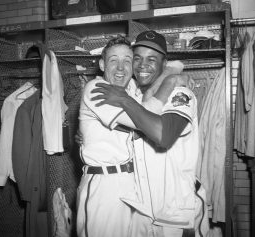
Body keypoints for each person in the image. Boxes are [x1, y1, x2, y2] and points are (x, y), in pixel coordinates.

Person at [91, 30, 209, 237]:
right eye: (137, 58)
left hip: (176, 212)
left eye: (152, 59)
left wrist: (125, 100)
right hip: (143, 211)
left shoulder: (180, 94)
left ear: (164, 65)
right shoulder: (136, 95)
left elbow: (163, 136)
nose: (143, 65)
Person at [76, 35, 138, 237]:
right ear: (102, 64)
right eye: (113, 60)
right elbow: (145, 123)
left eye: (127, 60)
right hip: (104, 185)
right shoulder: (96, 88)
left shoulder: (133, 89)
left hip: (131, 183)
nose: (121, 68)